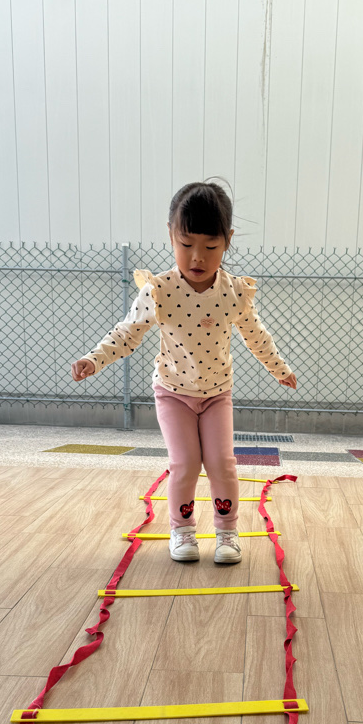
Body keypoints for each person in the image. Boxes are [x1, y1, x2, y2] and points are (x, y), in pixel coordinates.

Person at [71, 181, 296, 563]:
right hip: (173, 393)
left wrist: (279, 368)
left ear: (227, 241)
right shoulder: (159, 290)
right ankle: (183, 531)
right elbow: (128, 332)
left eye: (210, 247)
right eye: (186, 244)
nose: (197, 257)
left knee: (222, 463)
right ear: (171, 235)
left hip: (217, 395)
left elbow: (256, 335)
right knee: (185, 463)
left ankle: (227, 533)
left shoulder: (234, 292)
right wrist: (94, 359)